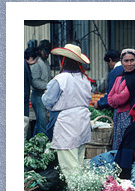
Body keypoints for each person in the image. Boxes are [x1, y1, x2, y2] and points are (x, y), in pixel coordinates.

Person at [41, 44, 93, 180]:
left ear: (62, 61)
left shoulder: (60, 79)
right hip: (82, 121)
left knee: (69, 166)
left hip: (66, 122)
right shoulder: (85, 79)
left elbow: (47, 100)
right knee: (79, 161)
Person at [108, 48, 135, 150]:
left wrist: (116, 98)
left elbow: (121, 99)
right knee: (118, 143)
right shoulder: (119, 77)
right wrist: (116, 98)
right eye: (126, 61)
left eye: (132, 60)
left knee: (127, 143)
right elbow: (110, 98)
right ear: (121, 62)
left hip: (129, 116)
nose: (129, 64)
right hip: (118, 116)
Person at [30, 40, 51, 136]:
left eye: (48, 53)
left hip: (43, 96)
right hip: (38, 96)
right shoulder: (36, 62)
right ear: (41, 51)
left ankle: (34, 142)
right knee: (42, 123)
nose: (47, 55)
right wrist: (48, 86)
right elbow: (34, 81)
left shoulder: (46, 62)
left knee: (40, 123)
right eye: (45, 52)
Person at [24, 47, 40, 140]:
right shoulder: (24, 66)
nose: (36, 62)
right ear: (30, 58)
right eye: (36, 59)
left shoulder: (25, 65)